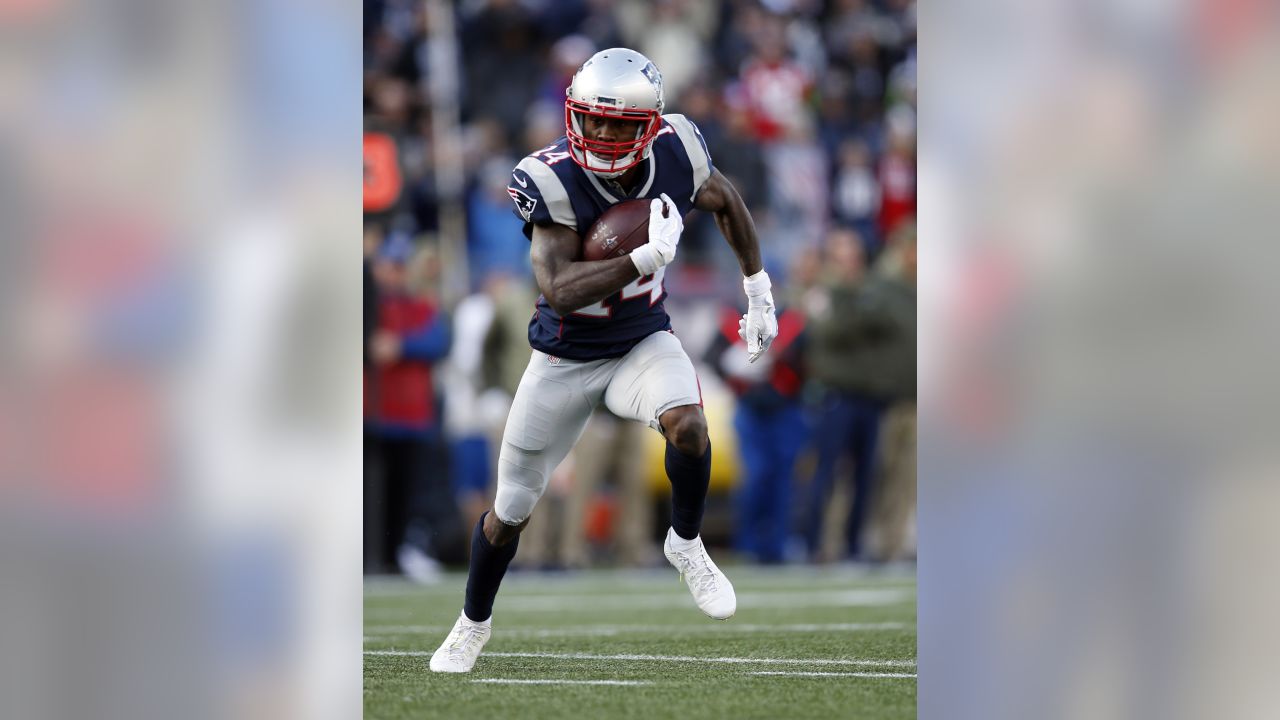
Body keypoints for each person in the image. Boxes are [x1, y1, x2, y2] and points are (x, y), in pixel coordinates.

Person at [429, 48, 778, 673]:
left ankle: (686, 543)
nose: (603, 135)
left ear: (649, 125)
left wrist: (757, 288)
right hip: (564, 358)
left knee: (690, 426)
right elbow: (559, 288)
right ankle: (471, 623)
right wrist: (641, 260)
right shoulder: (550, 177)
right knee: (509, 511)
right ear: (573, 114)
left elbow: (725, 199)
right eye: (593, 121)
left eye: (620, 125)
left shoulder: (679, 146)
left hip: (642, 341)